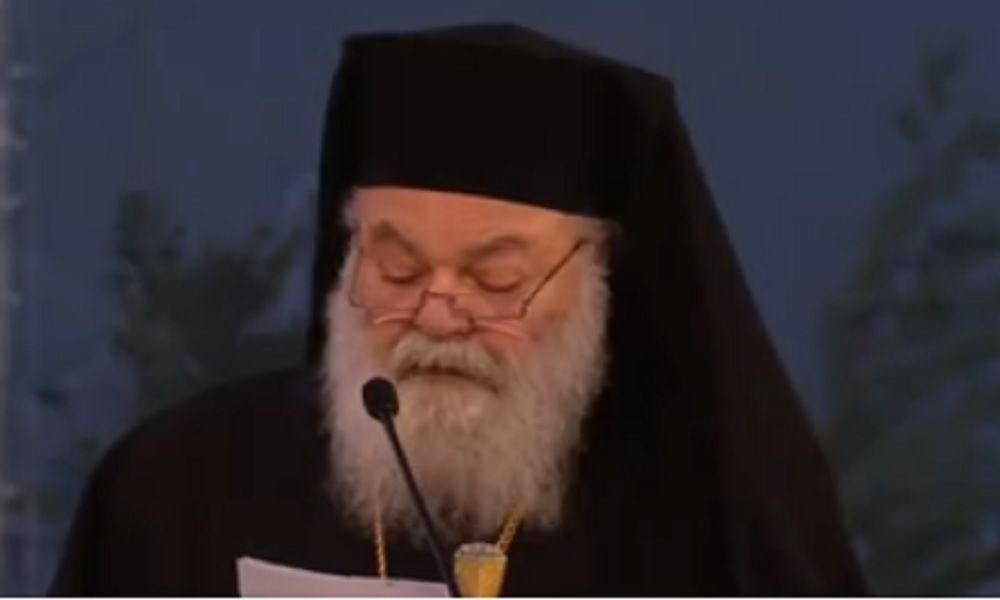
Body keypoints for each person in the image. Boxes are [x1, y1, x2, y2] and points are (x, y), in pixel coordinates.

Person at [50, 23, 868, 596]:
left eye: (497, 279)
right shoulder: (178, 487)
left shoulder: (712, 518)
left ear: (602, 281)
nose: (438, 318)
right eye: (398, 268)